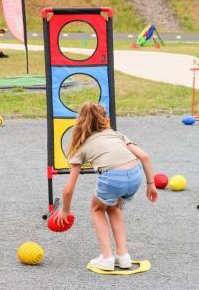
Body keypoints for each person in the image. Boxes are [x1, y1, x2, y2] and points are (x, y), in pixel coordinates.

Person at [54, 102, 158, 270]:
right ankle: (123, 256)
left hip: (113, 177)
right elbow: (144, 156)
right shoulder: (115, 134)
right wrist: (150, 185)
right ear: (105, 120)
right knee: (114, 207)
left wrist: (65, 210)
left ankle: (107, 257)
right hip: (135, 174)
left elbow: (68, 189)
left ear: (79, 123)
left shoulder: (82, 145)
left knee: (97, 208)